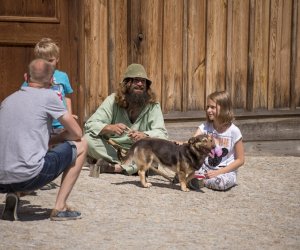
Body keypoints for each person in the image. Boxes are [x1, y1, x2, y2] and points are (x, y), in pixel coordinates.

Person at [0, 59, 88, 221]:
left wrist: (49, 141)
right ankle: (60, 207)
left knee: (23, 156)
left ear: (26, 77)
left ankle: (15, 194)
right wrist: (60, 137)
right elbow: (76, 132)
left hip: (2, 181)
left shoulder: (8, 100)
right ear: (51, 80)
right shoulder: (50, 96)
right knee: (82, 144)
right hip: (29, 177)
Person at [84, 63, 168, 175]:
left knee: (159, 149)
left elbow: (162, 133)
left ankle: (117, 168)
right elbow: (90, 124)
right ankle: (132, 167)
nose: (140, 84)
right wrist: (109, 128)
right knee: (87, 140)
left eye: (143, 81)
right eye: (136, 80)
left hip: (140, 150)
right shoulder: (112, 100)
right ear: (126, 83)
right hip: (114, 149)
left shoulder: (152, 105)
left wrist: (145, 135)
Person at [192, 90, 244, 191]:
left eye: (213, 107)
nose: (208, 110)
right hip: (205, 168)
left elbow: (240, 160)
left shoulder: (234, 131)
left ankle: (200, 181)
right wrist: (178, 144)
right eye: (207, 107)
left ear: (224, 108)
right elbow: (192, 142)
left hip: (225, 172)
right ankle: (198, 179)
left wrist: (219, 172)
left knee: (221, 183)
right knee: (185, 168)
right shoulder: (205, 127)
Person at [22, 37, 76, 134]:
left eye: (50, 60)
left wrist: (70, 117)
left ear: (57, 59)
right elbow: (24, 97)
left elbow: (67, 99)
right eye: (44, 61)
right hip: (41, 124)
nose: (47, 64)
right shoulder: (32, 78)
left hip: (60, 123)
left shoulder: (62, 76)